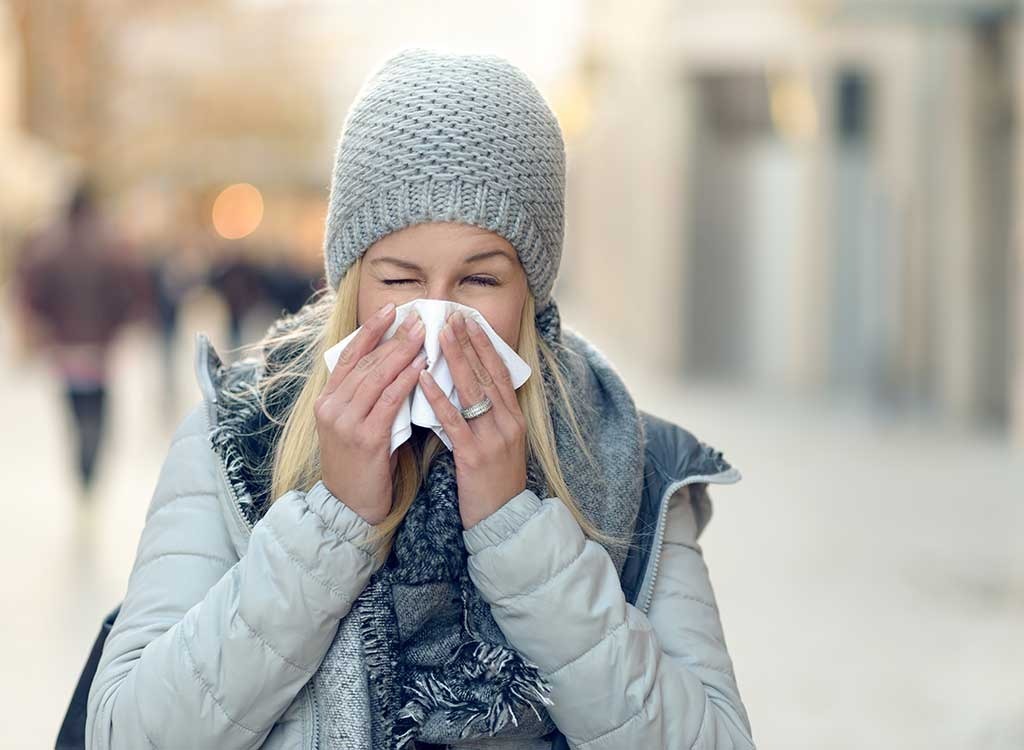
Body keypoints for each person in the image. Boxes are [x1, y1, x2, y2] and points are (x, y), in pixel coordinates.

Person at [85, 49, 755, 749]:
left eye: (480, 280)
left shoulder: (631, 462)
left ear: (530, 293)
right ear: (353, 284)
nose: (437, 316)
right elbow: (124, 734)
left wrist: (517, 533)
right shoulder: (236, 437)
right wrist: (331, 525)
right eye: (400, 280)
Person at [13, 180, 150, 495]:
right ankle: (90, 462)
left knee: (75, 409)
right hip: (100, 347)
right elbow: (135, 290)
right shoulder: (112, 244)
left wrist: (44, 329)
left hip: (65, 347)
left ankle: (82, 464)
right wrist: (117, 325)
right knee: (98, 409)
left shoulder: (48, 246)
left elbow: (31, 293)